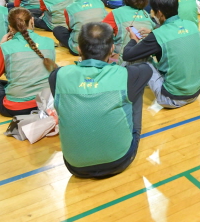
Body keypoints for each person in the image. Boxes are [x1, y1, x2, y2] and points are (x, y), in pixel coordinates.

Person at [52, 22, 151, 178]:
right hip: (119, 160)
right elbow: (146, 68)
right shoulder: (127, 75)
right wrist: (133, 41)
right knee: (134, 92)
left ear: (79, 49)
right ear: (112, 49)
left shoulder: (57, 76)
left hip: (75, 165)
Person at [121, 0, 200, 107]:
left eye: (153, 11)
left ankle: (116, 89)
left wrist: (133, 39)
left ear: (159, 13)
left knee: (139, 58)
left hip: (171, 98)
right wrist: (155, 32)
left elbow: (127, 55)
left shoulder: (157, 35)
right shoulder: (192, 26)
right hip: (197, 92)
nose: (152, 13)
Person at [0, 8, 56, 117]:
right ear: (32, 21)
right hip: (46, 102)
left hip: (17, 108)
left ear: (10, 27)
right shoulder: (49, 42)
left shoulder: (5, 47)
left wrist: (0, 45)